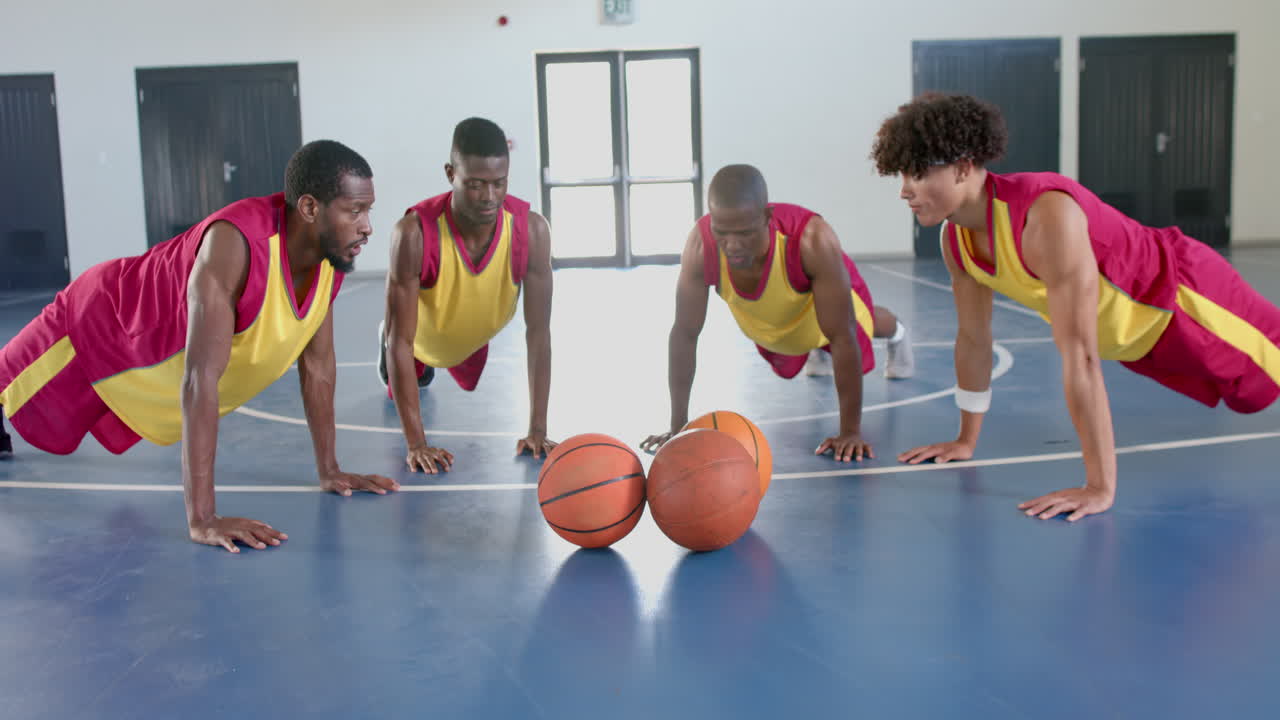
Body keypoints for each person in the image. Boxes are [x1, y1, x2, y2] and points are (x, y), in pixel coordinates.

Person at [873, 92, 1280, 521]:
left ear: (963, 165)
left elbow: (1080, 356)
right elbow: (974, 339)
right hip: (1139, 340)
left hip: (1186, 301)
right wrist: (965, 440)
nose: (905, 191)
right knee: (1246, 396)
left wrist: (1099, 488)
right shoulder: (956, 240)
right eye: (902, 175)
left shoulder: (1045, 217)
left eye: (918, 174)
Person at [0, 140, 397, 551]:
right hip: (100, 318)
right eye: (355, 211)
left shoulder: (328, 259)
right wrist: (203, 518)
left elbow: (317, 368)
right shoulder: (235, 244)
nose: (367, 225)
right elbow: (199, 379)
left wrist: (330, 469)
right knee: (7, 380)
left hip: (144, 355)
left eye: (368, 210)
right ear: (311, 208)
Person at [641, 164, 915, 460]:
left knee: (862, 323)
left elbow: (843, 335)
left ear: (767, 218)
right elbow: (684, 333)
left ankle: (898, 332)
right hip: (774, 322)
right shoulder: (700, 245)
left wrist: (849, 432)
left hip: (819, 315)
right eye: (722, 232)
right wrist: (677, 427)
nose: (732, 245)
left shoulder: (812, 240)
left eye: (744, 233)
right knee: (794, 348)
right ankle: (814, 349)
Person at [379, 117, 555, 472]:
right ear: (450, 174)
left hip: (476, 332)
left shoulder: (531, 230)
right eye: (475, 185)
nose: (489, 197)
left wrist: (538, 429)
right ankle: (383, 332)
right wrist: (416, 444)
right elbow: (402, 343)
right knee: (411, 366)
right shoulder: (414, 233)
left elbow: (538, 333)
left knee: (466, 371)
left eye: (498, 183)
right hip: (420, 340)